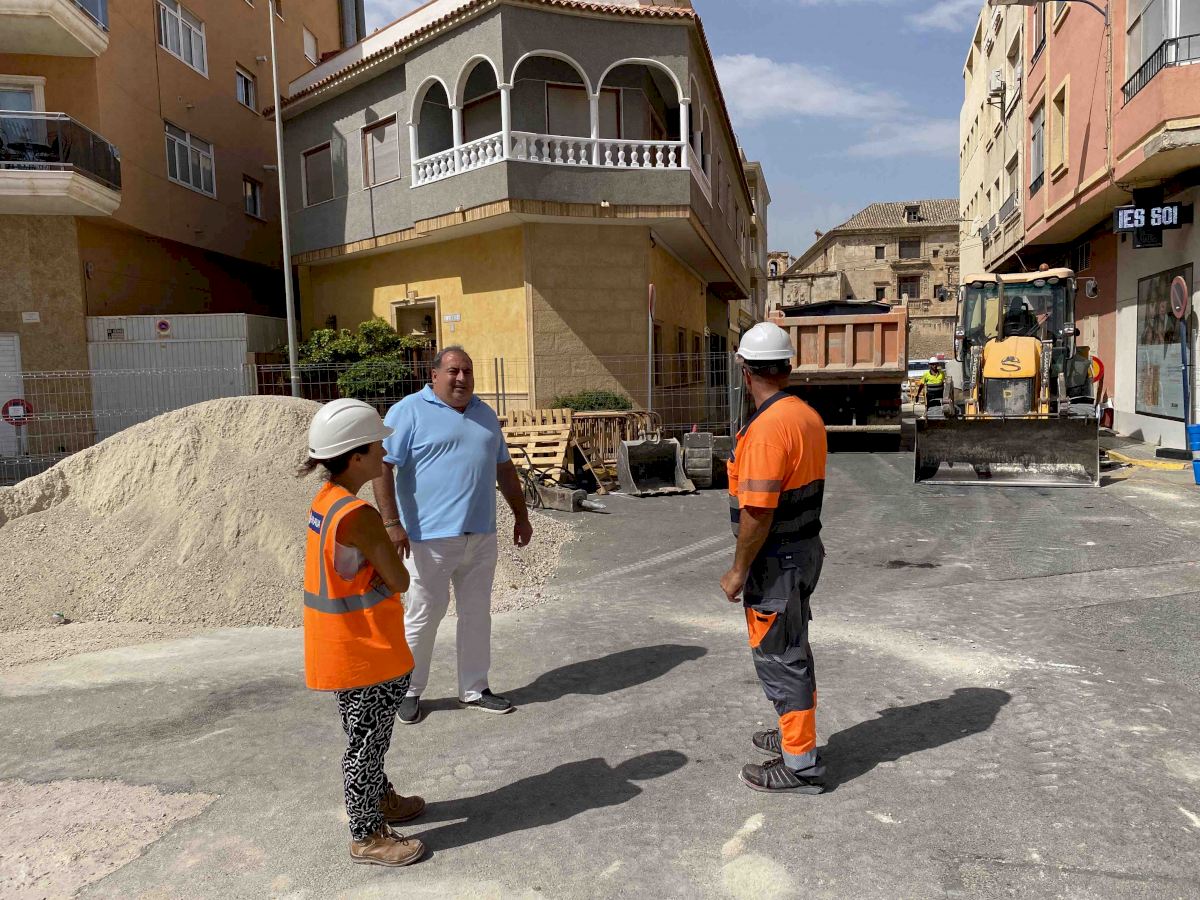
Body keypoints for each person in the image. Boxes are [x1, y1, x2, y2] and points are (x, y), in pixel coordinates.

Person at [373, 346, 532, 724]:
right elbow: (382, 467)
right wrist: (391, 523)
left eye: (467, 371)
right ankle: (406, 691)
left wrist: (521, 515)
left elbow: (505, 469)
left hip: (481, 536)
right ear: (434, 376)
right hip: (427, 539)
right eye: (453, 371)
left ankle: (475, 689)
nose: (461, 378)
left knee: (477, 614)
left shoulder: (485, 414)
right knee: (423, 615)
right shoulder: (408, 412)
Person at [301, 399, 426, 867]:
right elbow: (401, 580)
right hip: (366, 648)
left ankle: (380, 798)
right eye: (376, 447)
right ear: (356, 457)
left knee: (366, 735)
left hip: (342, 643)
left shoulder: (326, 502)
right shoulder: (359, 516)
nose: (383, 454)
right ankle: (366, 834)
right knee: (365, 744)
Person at [720, 321, 828, 795]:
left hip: (776, 560)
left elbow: (758, 513)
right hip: (803, 551)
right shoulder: (806, 416)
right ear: (786, 368)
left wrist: (737, 570)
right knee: (793, 646)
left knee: (781, 657)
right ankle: (794, 737)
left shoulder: (766, 430)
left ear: (746, 371)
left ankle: (800, 765)